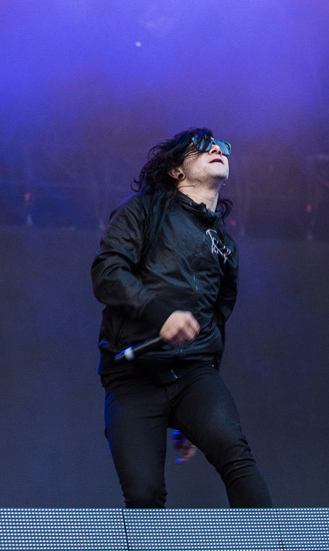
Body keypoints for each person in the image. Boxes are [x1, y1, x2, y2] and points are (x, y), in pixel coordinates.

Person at [91, 127, 273, 508]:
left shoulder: (225, 245)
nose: (217, 149)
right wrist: (161, 316)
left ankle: (266, 548)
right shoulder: (142, 210)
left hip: (194, 374)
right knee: (143, 493)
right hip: (133, 377)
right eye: (202, 147)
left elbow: (216, 321)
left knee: (236, 456)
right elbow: (108, 273)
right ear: (176, 170)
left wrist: (192, 417)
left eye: (221, 146)